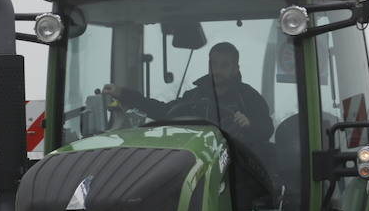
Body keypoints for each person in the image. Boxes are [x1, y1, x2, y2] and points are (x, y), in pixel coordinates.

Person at [104, 41, 273, 144]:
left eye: (224, 65)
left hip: (237, 164)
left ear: (235, 68)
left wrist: (250, 123)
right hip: (197, 159)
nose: (217, 70)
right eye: (214, 64)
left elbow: (267, 129)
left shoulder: (249, 97)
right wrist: (123, 93)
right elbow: (162, 111)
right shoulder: (194, 97)